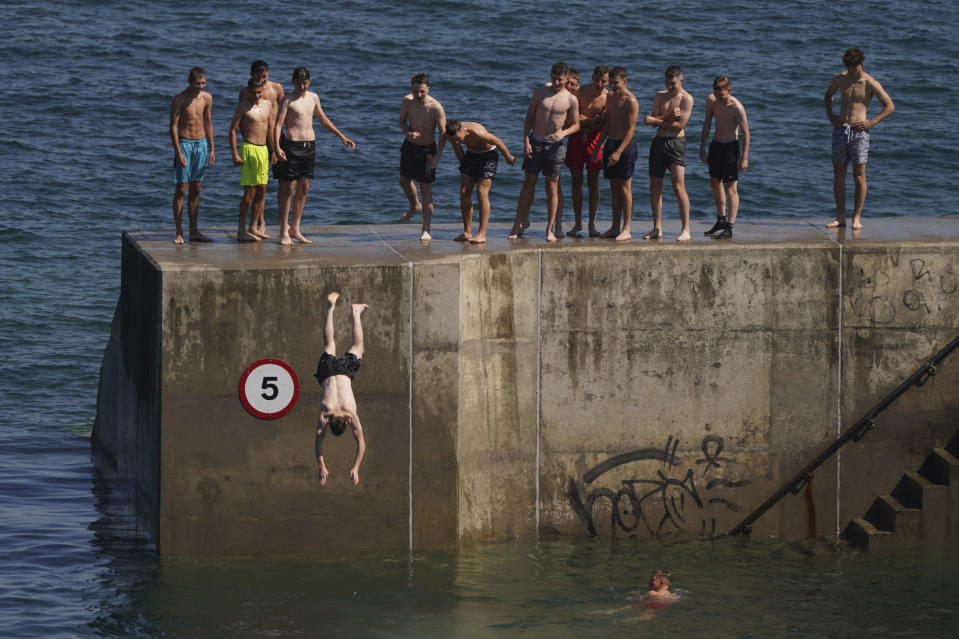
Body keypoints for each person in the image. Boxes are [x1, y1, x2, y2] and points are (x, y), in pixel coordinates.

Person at [273, 67, 356, 246]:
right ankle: (283, 231)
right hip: (292, 146)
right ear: (293, 82)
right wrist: (277, 147)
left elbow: (323, 119)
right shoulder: (287, 99)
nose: (302, 87)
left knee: (304, 187)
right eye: (298, 83)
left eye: (305, 83)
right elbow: (278, 125)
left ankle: (295, 228)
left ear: (309, 81)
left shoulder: (313, 97)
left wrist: (341, 136)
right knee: (288, 188)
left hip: (309, 146)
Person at [824, 47, 895, 230]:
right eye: (848, 66)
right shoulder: (839, 79)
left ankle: (856, 217)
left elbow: (889, 106)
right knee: (838, 176)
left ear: (861, 64)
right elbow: (828, 96)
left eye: (853, 67)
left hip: (860, 133)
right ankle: (841, 217)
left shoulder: (870, 83)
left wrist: (872, 122)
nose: (850, 70)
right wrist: (831, 116)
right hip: (840, 131)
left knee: (859, 176)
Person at [509, 62, 580, 242]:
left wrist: (563, 132)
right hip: (536, 142)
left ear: (566, 79)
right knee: (528, 183)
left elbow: (576, 125)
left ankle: (550, 228)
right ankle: (518, 223)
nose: (556, 82)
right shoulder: (540, 93)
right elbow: (529, 117)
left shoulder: (571, 99)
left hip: (555, 146)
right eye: (554, 79)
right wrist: (526, 140)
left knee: (552, 186)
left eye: (560, 80)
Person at [314, 292, 368, 486]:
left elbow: (361, 443)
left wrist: (356, 467)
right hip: (327, 373)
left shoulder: (351, 414)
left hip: (344, 373)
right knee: (329, 344)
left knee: (358, 346)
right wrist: (321, 465)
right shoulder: (324, 415)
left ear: (346, 421)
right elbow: (318, 443)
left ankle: (356, 312)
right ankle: (331, 309)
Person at [643, 66, 694, 242]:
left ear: (681, 81)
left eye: (673, 83)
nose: (670, 86)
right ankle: (657, 227)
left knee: (679, 186)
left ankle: (686, 228)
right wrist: (669, 114)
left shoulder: (687, 99)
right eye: (667, 82)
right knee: (655, 186)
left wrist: (657, 120)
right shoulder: (659, 96)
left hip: (676, 143)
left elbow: (679, 126)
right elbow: (653, 121)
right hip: (658, 143)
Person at [445, 120, 515, 244]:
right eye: (453, 139)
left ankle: (482, 233)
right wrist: (466, 169)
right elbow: (457, 149)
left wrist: (509, 158)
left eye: (458, 138)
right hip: (471, 156)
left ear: (464, 131)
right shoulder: (451, 134)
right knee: (464, 192)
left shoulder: (477, 132)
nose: (456, 141)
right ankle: (467, 232)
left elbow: (498, 142)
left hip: (488, 156)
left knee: (481, 192)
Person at [699, 75, 750, 240]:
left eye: (722, 93)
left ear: (729, 90)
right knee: (714, 183)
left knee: (731, 188)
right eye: (716, 92)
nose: (719, 96)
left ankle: (730, 225)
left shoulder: (737, 107)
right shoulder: (711, 101)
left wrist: (744, 158)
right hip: (716, 145)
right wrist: (702, 147)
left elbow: (746, 134)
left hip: (731, 148)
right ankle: (720, 220)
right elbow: (707, 123)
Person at [238, 60, 284, 239]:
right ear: (251, 76)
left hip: (275, 138)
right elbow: (242, 121)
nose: (262, 80)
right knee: (255, 186)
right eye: (258, 77)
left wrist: (278, 144)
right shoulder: (247, 92)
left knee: (276, 183)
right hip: (255, 142)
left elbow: (282, 112)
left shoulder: (276, 88)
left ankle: (279, 220)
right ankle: (259, 222)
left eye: (264, 76)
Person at [398, 73, 447, 241]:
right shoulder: (407, 101)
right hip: (409, 146)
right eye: (416, 91)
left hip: (427, 150)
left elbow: (443, 135)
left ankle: (426, 229)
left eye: (422, 92)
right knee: (404, 180)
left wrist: (437, 158)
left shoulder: (436, 108)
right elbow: (401, 121)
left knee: (425, 189)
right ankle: (414, 206)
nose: (419, 95)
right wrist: (408, 133)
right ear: (412, 88)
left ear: (428, 89)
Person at [591, 66, 638, 241]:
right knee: (613, 187)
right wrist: (598, 147)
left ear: (625, 81)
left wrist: (619, 151)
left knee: (625, 187)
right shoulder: (610, 97)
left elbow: (631, 130)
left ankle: (626, 228)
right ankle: (615, 226)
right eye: (610, 83)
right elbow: (608, 124)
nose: (612, 86)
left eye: (616, 83)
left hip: (625, 147)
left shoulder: (631, 101)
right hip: (610, 143)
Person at [169, 67, 214, 244]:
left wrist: (211, 149)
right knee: (181, 190)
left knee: (196, 189)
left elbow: (208, 123)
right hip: (185, 144)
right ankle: (179, 232)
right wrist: (178, 151)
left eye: (203, 83)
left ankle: (194, 231)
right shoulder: (179, 99)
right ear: (189, 81)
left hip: (201, 144)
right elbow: (173, 127)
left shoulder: (207, 98)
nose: (200, 87)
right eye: (197, 83)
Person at [566, 65, 609, 237]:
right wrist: (588, 121)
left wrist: (584, 120)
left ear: (608, 82)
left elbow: (601, 125)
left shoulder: (607, 98)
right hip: (576, 139)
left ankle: (592, 224)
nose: (599, 84)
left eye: (603, 81)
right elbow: (571, 116)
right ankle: (577, 224)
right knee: (576, 181)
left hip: (595, 141)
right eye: (596, 79)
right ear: (591, 77)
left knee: (593, 183)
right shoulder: (580, 92)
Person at [229, 78, 273, 242]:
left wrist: (274, 150)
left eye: (259, 92)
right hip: (249, 148)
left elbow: (270, 128)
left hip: (264, 150)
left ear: (263, 90)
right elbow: (232, 130)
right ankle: (241, 230)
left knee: (262, 189)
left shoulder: (267, 105)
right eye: (253, 92)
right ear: (248, 91)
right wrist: (234, 153)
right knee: (250, 191)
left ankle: (253, 226)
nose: (256, 95)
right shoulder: (243, 107)